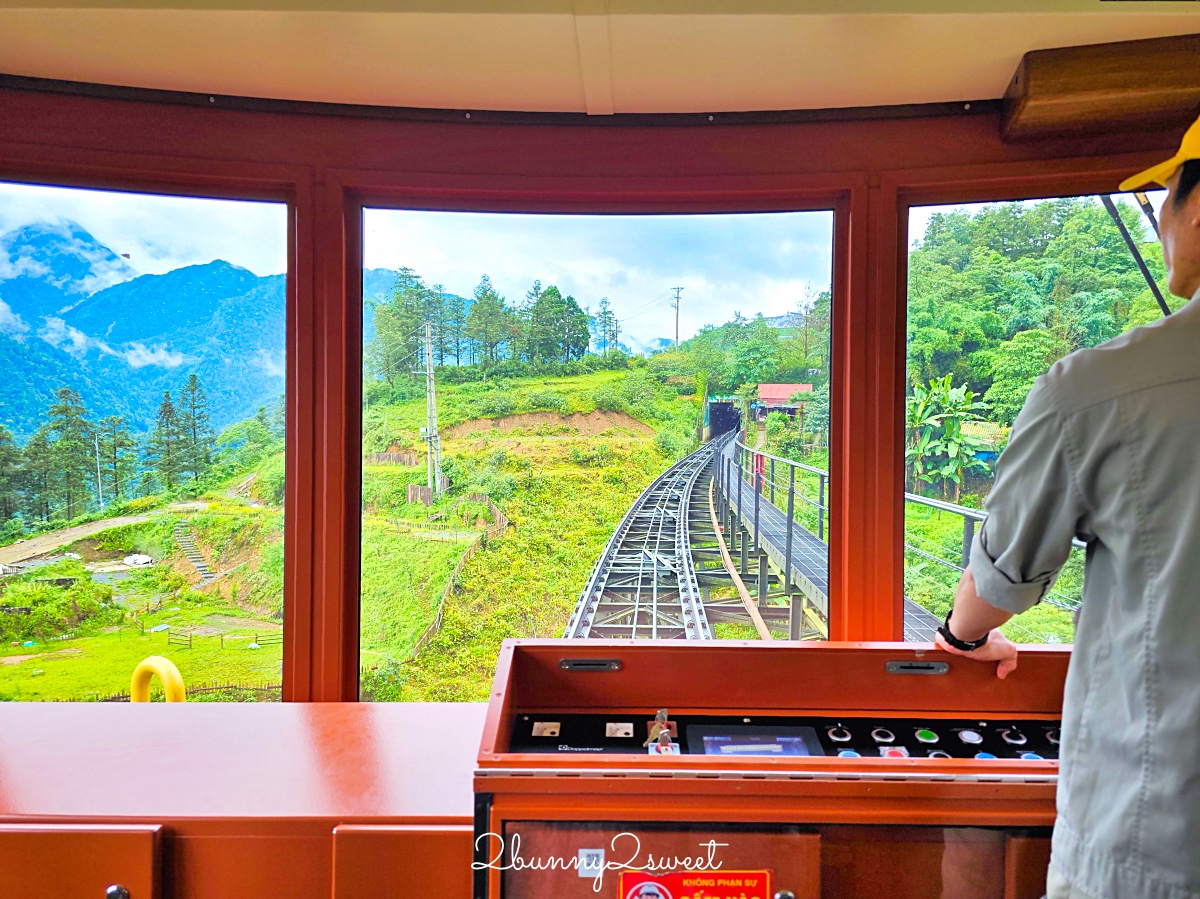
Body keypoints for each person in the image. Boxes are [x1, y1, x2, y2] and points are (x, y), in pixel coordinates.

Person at [934, 115, 1200, 899]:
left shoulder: (1098, 391)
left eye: (1163, 198)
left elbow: (992, 591)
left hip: (1153, 839)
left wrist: (961, 635)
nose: (1156, 223)